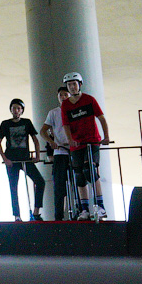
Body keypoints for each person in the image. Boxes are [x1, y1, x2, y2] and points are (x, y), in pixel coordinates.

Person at [61, 72, 110, 221]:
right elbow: (66, 125)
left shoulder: (89, 99)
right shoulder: (66, 104)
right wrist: (70, 140)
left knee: (90, 170)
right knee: (79, 176)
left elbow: (101, 118)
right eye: (69, 85)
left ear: (80, 85)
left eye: (74, 84)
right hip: (77, 145)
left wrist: (106, 136)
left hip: (92, 141)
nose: (72, 87)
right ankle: (84, 209)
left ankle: (101, 207)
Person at [0, 98, 45, 222]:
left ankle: (36, 212)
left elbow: (35, 139)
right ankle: (17, 215)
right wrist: (5, 158)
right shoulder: (5, 124)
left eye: (18, 108)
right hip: (12, 161)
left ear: (22, 110)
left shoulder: (27, 122)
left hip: (26, 159)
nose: (16, 111)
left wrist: (37, 155)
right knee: (13, 187)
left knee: (40, 182)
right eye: (14, 108)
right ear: (11, 110)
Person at [41, 87, 73, 220]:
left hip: (74, 151)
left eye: (66, 94)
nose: (63, 97)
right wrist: (51, 142)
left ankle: (78, 212)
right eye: (61, 95)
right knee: (59, 186)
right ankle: (59, 217)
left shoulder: (75, 111)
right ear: (58, 97)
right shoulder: (53, 113)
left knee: (78, 183)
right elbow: (43, 131)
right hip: (60, 153)